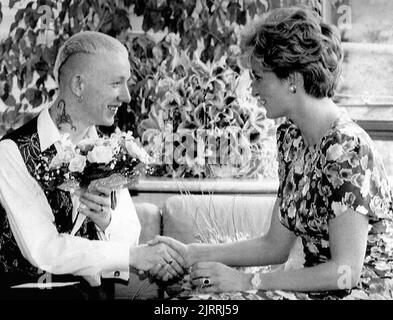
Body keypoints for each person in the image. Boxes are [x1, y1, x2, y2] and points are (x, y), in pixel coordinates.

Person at [149, 7, 393, 298]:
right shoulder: (291, 138)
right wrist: (192, 253)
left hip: (358, 293)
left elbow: (346, 274)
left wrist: (248, 283)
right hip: (311, 292)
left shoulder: (348, 150)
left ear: (292, 79)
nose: (252, 90)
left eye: (258, 78)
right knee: (195, 302)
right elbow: (274, 246)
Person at [0, 31, 184, 300]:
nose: (127, 96)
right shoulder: (11, 153)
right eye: (116, 83)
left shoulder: (110, 153)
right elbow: (44, 250)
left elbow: (129, 235)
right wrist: (132, 254)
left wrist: (107, 222)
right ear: (78, 85)